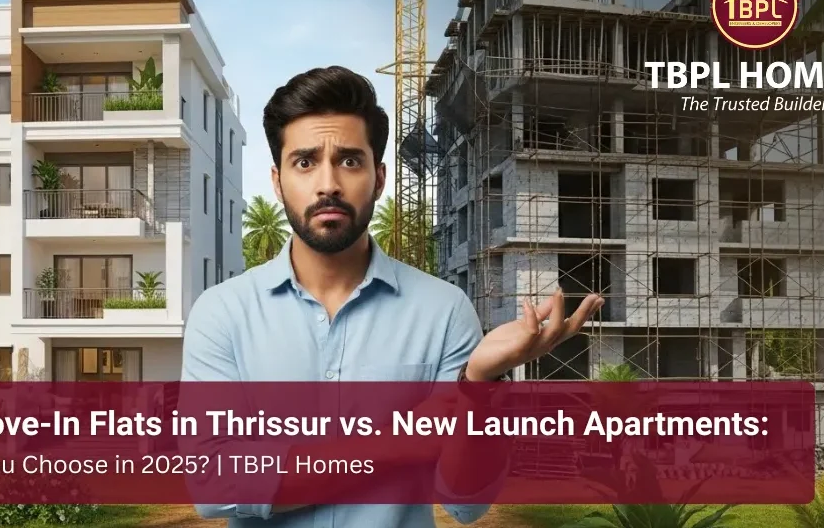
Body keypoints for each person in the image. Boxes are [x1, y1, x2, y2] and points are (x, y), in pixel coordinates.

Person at [181, 66, 604, 526]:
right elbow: (213, 484)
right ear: (278, 181)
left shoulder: (442, 311)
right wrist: (403, 442)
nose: (328, 184)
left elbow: (465, 500)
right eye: (305, 162)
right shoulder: (221, 314)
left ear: (379, 178)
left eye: (349, 160)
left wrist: (478, 386)